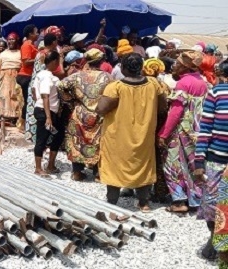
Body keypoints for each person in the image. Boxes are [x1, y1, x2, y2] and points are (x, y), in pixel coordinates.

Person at [96, 53, 167, 213]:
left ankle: (112, 202)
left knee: (114, 167)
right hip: (144, 135)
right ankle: (144, 203)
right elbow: (163, 107)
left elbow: (101, 109)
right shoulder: (154, 84)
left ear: (123, 68)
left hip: (117, 137)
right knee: (143, 166)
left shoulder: (115, 87)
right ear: (141, 67)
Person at [158, 51, 207, 213]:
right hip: (197, 130)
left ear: (185, 66)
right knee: (194, 164)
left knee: (173, 163)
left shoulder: (183, 84)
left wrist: (164, 134)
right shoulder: (202, 81)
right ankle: (196, 200)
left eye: (177, 63)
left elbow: (176, 112)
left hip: (181, 131)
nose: (174, 66)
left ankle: (179, 202)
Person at [58, 48, 113, 181]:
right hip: (99, 115)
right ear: (101, 61)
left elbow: (60, 85)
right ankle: (97, 174)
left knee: (76, 141)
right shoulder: (107, 77)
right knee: (98, 142)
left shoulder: (77, 76)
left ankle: (77, 172)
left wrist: (70, 100)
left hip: (80, 112)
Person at [195, 61, 228, 263]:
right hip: (216, 160)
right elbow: (206, 127)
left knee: (213, 205)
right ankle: (216, 241)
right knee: (211, 205)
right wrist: (199, 161)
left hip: (216, 159)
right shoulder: (217, 93)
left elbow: (205, 128)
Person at [142, 58, 172, 203]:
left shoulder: (141, 85)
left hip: (144, 126)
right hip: (161, 125)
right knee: (159, 159)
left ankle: (141, 191)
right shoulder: (164, 86)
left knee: (143, 158)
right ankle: (160, 192)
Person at [25, 33, 64, 142]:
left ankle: (35, 137)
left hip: (35, 85)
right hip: (46, 86)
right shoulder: (50, 55)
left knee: (35, 111)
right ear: (54, 42)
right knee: (46, 111)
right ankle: (46, 141)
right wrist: (61, 58)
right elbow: (60, 72)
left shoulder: (39, 53)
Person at [33, 50, 64, 177]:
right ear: (55, 61)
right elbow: (45, 95)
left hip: (44, 109)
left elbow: (34, 91)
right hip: (46, 111)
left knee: (58, 135)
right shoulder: (47, 77)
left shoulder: (41, 74)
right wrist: (48, 117)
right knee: (42, 138)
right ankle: (39, 167)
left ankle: (50, 164)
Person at [0, 32, 23, 121]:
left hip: (16, 76)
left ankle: (14, 117)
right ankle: (1, 115)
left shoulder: (20, 52)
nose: (10, 41)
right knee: (3, 95)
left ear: (16, 40)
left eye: (12, 39)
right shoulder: (3, 54)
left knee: (15, 96)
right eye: (9, 39)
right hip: (4, 77)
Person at [17, 24, 39, 131]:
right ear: (30, 34)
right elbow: (25, 62)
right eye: (36, 32)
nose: (38, 34)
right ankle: (22, 124)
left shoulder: (32, 45)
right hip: (25, 76)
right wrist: (39, 59)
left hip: (29, 75)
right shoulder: (26, 45)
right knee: (27, 101)